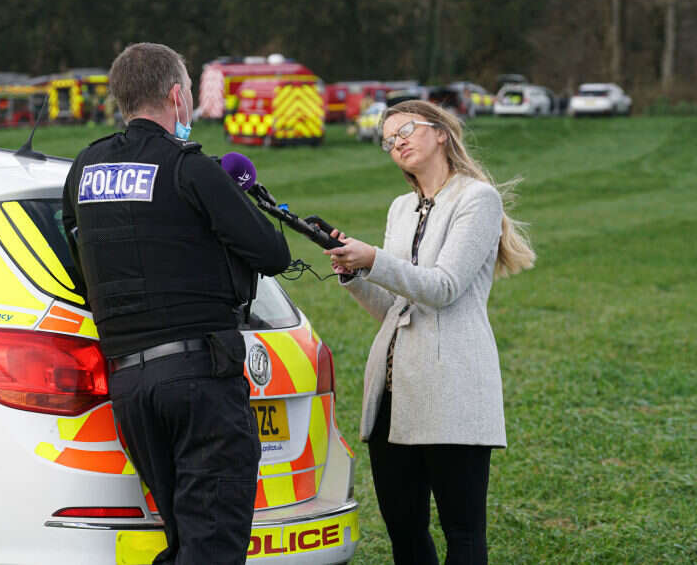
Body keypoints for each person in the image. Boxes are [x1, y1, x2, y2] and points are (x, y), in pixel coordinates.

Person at [62, 42, 291, 564]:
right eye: (188, 91)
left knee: (187, 541)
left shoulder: (85, 168)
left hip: (130, 388)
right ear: (176, 97)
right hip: (200, 381)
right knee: (211, 545)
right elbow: (271, 253)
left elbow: (82, 262)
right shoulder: (191, 168)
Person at [324, 100, 535, 564]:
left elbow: (442, 288)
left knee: (461, 532)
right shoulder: (400, 208)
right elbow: (396, 309)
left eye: (406, 129)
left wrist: (375, 260)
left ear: (441, 133)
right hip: (392, 397)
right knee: (404, 530)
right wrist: (355, 274)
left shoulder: (477, 199)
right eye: (388, 138)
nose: (395, 141)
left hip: (452, 387)